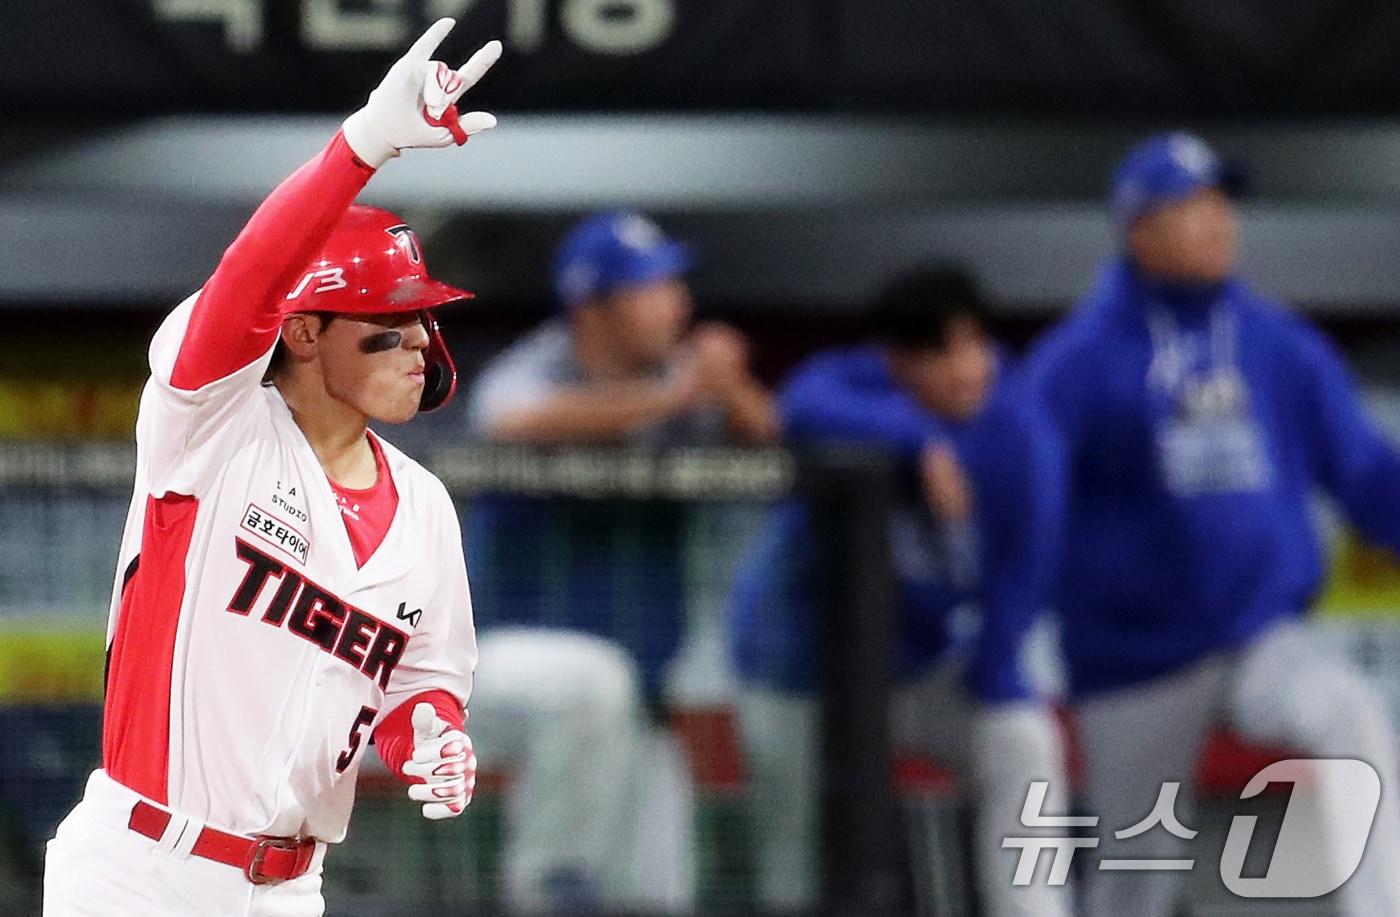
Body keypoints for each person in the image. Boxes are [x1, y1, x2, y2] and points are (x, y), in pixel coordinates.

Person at [43, 20, 499, 917]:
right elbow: (249, 279)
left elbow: (417, 680)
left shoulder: (426, 506)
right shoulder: (211, 426)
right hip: (144, 871)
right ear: (302, 332)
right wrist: (362, 145)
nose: (417, 340)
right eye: (387, 318)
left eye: (421, 319)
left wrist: (433, 736)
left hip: (293, 888)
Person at [1028, 131, 1400, 917]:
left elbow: (1364, 471)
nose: (1218, 222)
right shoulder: (1080, 358)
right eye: (1192, 208)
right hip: (1137, 660)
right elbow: (1026, 497)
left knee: (1351, 713)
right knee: (1132, 884)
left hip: (1262, 635)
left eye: (1220, 204)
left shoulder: (1276, 343)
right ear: (1140, 230)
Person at [728, 266, 1072, 917]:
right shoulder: (854, 383)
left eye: (971, 343)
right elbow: (801, 402)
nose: (966, 367)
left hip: (920, 667)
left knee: (1022, 738)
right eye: (940, 352)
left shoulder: (1020, 429)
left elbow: (1026, 571)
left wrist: (995, 667)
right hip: (803, 669)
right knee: (798, 863)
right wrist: (918, 439)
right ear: (899, 362)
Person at [461, 211, 777, 912]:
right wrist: (679, 394)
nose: (676, 302)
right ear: (594, 305)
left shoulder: (680, 384)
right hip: (501, 665)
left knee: (658, 890)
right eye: (650, 285)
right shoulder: (540, 366)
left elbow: (773, 438)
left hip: (635, 698)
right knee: (585, 690)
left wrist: (726, 390)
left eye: (673, 283)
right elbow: (506, 419)